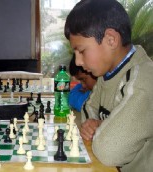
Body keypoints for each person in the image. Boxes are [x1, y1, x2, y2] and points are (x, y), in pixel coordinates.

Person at [64, 0, 153, 171]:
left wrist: (99, 126)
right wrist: (95, 124)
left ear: (111, 40)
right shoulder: (106, 76)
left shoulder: (144, 80)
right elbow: (86, 112)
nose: (78, 62)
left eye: (81, 51)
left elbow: (110, 150)